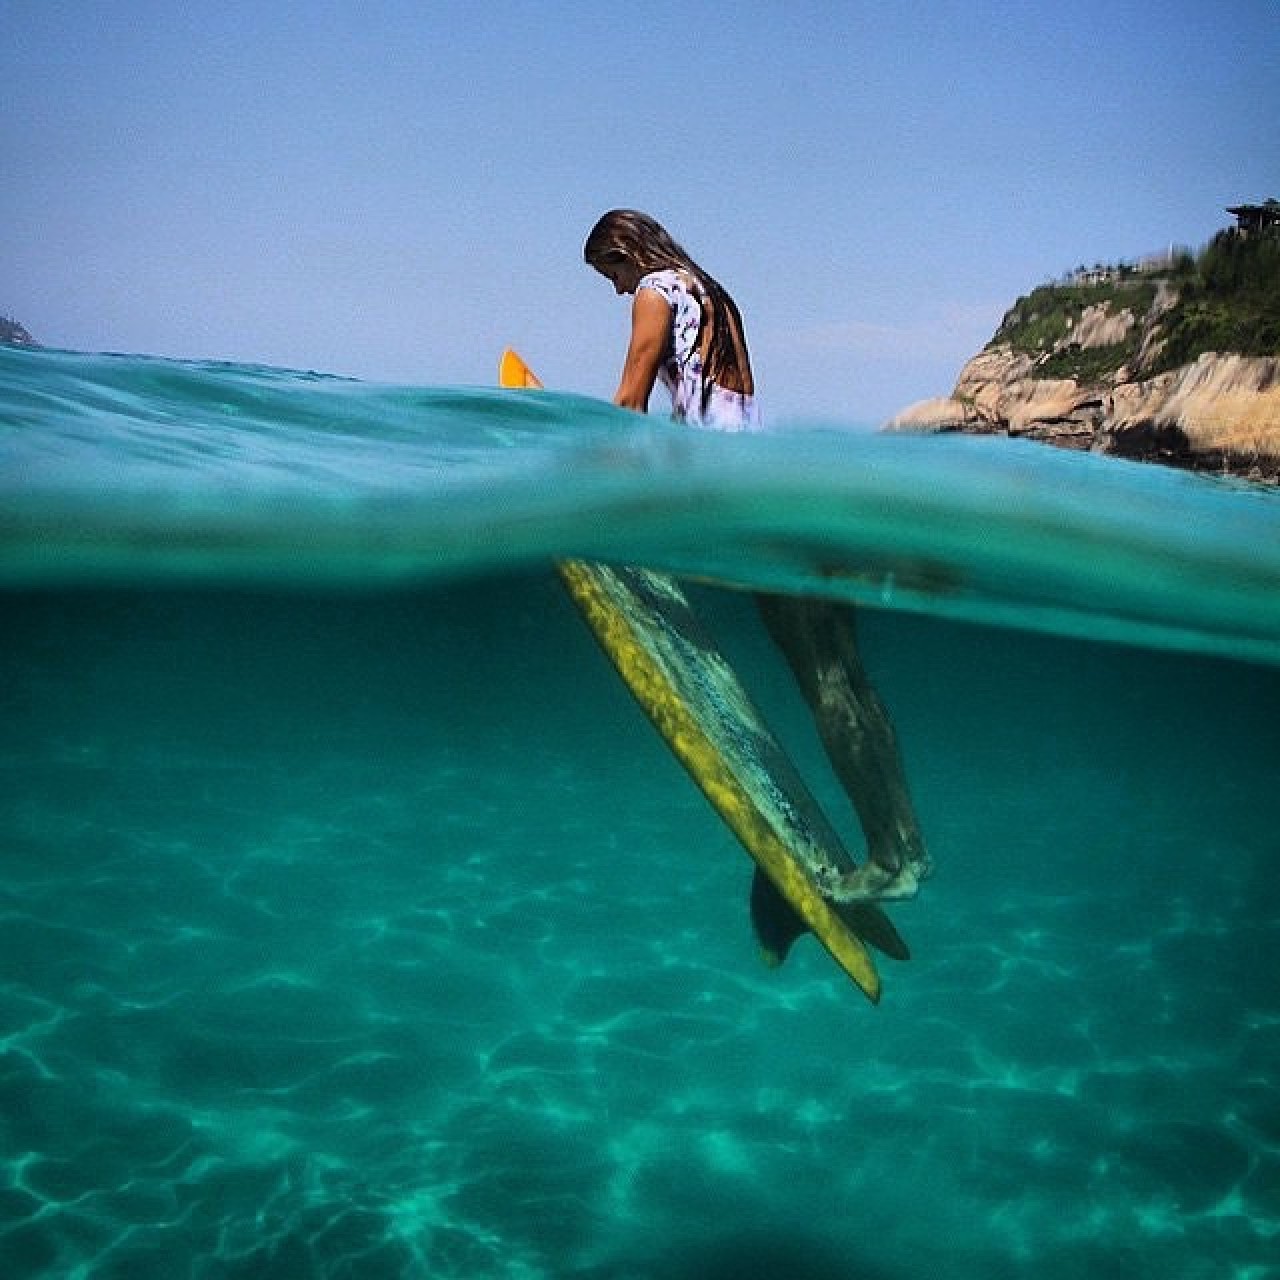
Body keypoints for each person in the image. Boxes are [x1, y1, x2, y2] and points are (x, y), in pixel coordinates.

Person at [583, 209, 930, 902]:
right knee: (847, 677)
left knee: (825, 686)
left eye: (611, 273)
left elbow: (629, 402)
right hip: (788, 490)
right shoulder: (711, 291)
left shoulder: (657, 291)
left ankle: (889, 863)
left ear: (627, 253)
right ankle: (906, 850)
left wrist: (591, 498)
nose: (620, 292)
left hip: (749, 508)